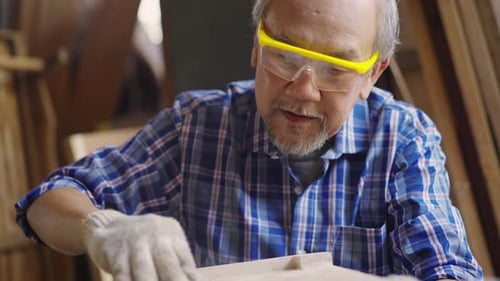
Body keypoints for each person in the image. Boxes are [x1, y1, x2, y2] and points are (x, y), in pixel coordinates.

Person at [15, 0, 482, 280]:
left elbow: (447, 270)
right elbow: (44, 203)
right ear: (257, 47)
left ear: (373, 75)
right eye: (283, 56)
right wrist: (102, 227)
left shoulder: (402, 139)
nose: (302, 90)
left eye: (336, 70)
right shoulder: (197, 128)